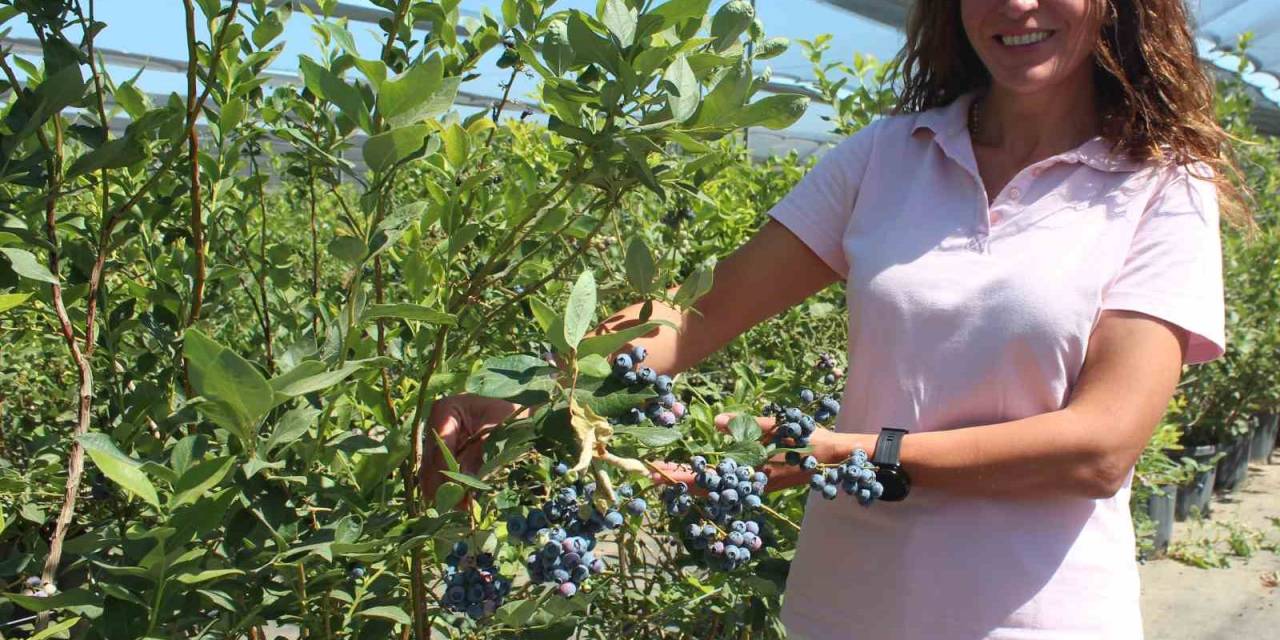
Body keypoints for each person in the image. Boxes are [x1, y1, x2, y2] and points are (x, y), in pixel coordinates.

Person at [423, 0, 1254, 637]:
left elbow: (1101, 446)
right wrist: (531, 394)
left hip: (1032, 618)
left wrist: (855, 454)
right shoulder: (888, 155)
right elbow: (696, 314)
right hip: (846, 606)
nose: (1016, 5)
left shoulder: (1159, 184)